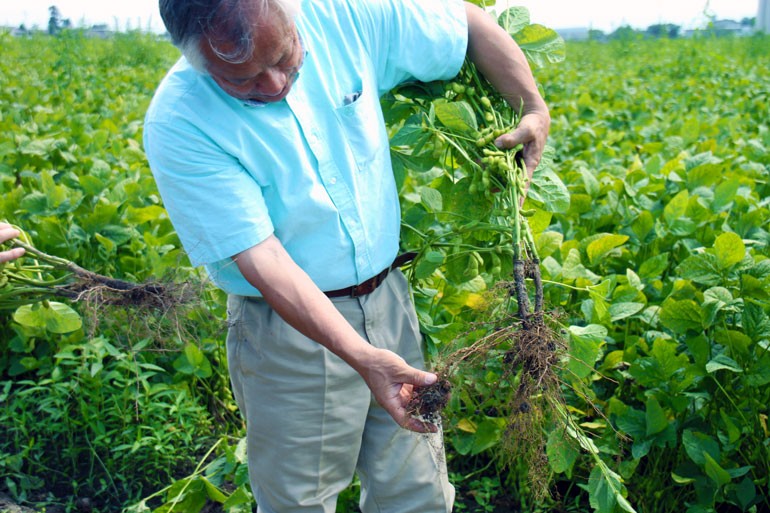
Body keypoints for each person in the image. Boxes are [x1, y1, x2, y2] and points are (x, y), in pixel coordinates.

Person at [144, 0, 549, 511]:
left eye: (284, 56)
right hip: (286, 330)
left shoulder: (342, 15)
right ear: (197, 60)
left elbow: (466, 22)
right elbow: (263, 260)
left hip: (388, 301)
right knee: (301, 500)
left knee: (418, 492)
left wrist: (532, 106)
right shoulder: (180, 120)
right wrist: (361, 358)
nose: (272, 84)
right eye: (241, 80)